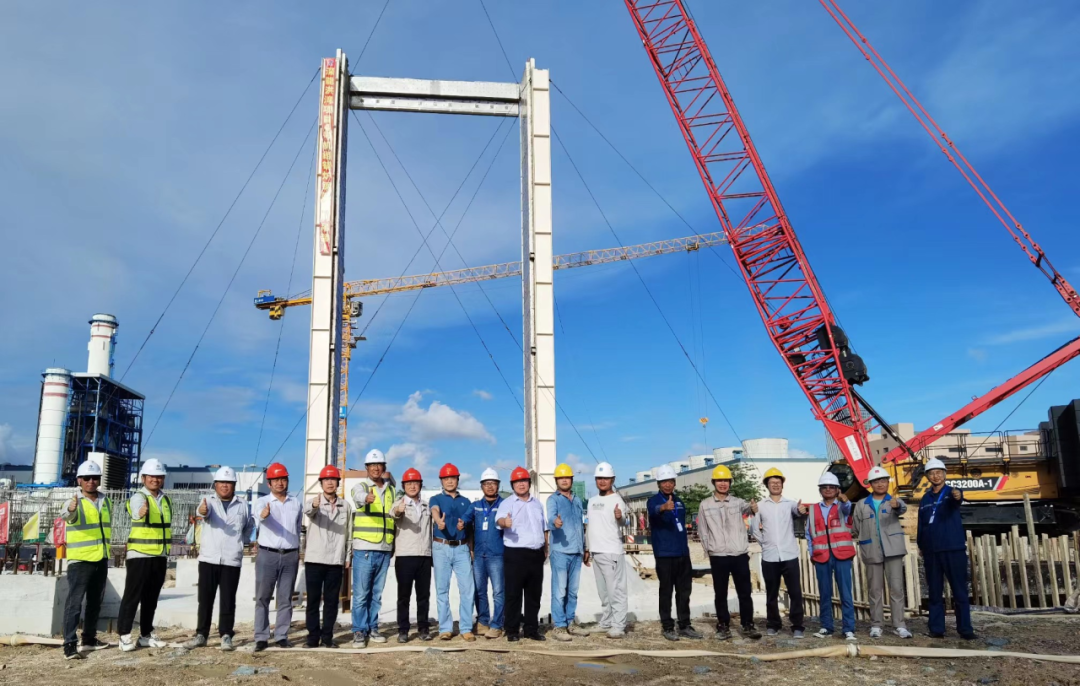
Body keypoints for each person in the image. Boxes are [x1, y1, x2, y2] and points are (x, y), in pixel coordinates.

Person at [184, 466, 254, 651]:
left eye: (229, 483)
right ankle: (201, 634)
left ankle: (226, 634)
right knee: (205, 599)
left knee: (228, 599)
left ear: (234, 485)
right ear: (215, 485)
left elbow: (249, 526)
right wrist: (202, 510)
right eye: (222, 483)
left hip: (232, 559)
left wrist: (242, 542)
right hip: (209, 559)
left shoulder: (242, 505)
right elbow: (202, 512)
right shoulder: (208, 501)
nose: (225, 486)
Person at [696, 464, 760, 640]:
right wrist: (710, 550)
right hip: (718, 556)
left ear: (730, 483)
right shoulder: (705, 505)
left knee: (745, 592)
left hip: (739, 554)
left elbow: (749, 509)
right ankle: (723, 626)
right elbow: (703, 531)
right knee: (721, 593)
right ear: (714, 482)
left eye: (726, 480)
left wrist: (754, 508)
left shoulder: (738, 502)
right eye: (719, 480)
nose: (723, 483)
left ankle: (748, 625)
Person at [917, 458, 975, 640]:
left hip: (953, 549)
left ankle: (965, 629)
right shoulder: (925, 498)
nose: (936, 476)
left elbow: (957, 498)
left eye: (939, 472)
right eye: (932, 473)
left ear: (944, 474)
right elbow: (921, 525)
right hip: (932, 552)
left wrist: (958, 495)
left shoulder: (951, 493)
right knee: (934, 591)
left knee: (960, 591)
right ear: (927, 476)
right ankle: (936, 629)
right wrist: (921, 545)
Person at [853, 465, 913, 640]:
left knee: (896, 589)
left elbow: (902, 508)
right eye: (876, 481)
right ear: (870, 484)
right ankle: (876, 625)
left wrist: (897, 504)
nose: (880, 484)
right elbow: (856, 527)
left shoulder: (894, 501)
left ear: (888, 482)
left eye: (883, 480)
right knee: (874, 590)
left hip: (892, 550)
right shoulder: (862, 504)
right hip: (871, 550)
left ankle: (899, 625)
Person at [118, 459, 172, 652]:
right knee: (132, 596)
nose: (155, 480)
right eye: (152, 477)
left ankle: (146, 634)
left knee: (151, 598)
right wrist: (139, 513)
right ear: (143, 478)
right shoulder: (138, 497)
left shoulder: (165, 499)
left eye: (159, 477)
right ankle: (124, 635)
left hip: (159, 555)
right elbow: (135, 510)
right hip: (140, 555)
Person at [61, 461, 113, 660]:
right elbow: (67, 515)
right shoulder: (73, 500)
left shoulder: (106, 501)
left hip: (101, 558)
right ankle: (69, 645)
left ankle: (89, 639)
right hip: (80, 561)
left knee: (94, 602)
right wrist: (71, 509)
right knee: (74, 604)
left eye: (95, 478)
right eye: (87, 478)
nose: (91, 482)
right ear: (79, 481)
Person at [750, 467, 806, 639]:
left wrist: (801, 510)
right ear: (767, 485)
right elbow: (754, 529)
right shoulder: (759, 505)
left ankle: (797, 626)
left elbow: (798, 513)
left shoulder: (790, 504)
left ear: (782, 484)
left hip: (789, 554)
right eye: (772, 482)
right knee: (772, 593)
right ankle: (773, 624)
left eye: (778, 482)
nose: (775, 485)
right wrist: (765, 543)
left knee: (795, 592)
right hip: (770, 556)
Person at [647, 465, 702, 641]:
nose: (667, 485)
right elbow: (653, 512)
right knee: (666, 591)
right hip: (664, 554)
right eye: (664, 482)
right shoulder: (654, 501)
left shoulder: (679, 501)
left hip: (682, 553)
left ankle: (684, 624)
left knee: (684, 591)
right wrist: (663, 507)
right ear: (658, 484)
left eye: (670, 481)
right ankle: (667, 626)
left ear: (674, 482)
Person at [254, 462, 303, 651]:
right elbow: (259, 515)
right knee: (262, 597)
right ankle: (261, 636)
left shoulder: (295, 503)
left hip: (290, 555)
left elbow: (298, 528)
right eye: (276, 480)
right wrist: (264, 514)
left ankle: (281, 635)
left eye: (283, 479)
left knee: (285, 598)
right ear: (269, 483)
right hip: (268, 555)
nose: (280, 483)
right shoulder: (262, 502)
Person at [496, 466, 549, 642]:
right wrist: (505, 522)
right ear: (512, 485)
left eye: (524, 481)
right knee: (513, 594)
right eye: (517, 482)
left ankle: (531, 629)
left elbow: (544, 527)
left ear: (529, 483)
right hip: (515, 554)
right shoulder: (507, 503)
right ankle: (512, 630)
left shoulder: (537, 504)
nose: (521, 484)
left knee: (534, 595)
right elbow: (499, 520)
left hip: (536, 554)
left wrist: (545, 547)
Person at [303, 465, 352, 649]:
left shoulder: (345, 506)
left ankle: (327, 637)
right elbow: (308, 511)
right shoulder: (314, 502)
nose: (330, 483)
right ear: (321, 483)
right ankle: (312, 637)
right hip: (315, 560)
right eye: (326, 480)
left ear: (338, 483)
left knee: (332, 602)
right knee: (313, 601)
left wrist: (347, 556)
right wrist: (315, 505)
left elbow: (349, 533)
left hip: (335, 561)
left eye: (333, 479)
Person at [351, 449, 395, 647]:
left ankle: (372, 627)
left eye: (379, 465)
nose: (376, 468)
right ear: (366, 468)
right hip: (365, 548)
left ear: (384, 468)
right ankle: (359, 631)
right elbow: (358, 496)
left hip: (385, 548)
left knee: (376, 594)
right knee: (361, 594)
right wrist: (366, 498)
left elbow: (395, 513)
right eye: (372, 466)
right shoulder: (360, 486)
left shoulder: (392, 490)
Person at [430, 462, 476, 641]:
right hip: (441, 547)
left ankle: (465, 627)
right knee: (442, 589)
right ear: (441, 481)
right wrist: (438, 521)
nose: (449, 481)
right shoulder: (436, 499)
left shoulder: (466, 502)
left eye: (452, 478)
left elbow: (471, 527)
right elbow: (434, 510)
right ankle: (445, 628)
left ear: (458, 479)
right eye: (446, 478)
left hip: (462, 547)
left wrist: (471, 549)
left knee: (467, 589)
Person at [808, 472, 857, 641]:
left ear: (838, 490)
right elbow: (810, 534)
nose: (828, 489)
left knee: (845, 593)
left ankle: (848, 628)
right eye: (824, 487)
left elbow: (847, 508)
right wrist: (812, 552)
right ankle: (826, 626)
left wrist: (845, 500)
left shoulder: (843, 506)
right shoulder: (814, 509)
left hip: (842, 555)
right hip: (822, 556)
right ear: (820, 490)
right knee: (825, 593)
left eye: (831, 487)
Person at [585, 462, 629, 639]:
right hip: (596, 551)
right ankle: (607, 622)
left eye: (606, 478)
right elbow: (589, 526)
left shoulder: (618, 500)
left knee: (615, 590)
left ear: (612, 480)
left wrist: (620, 517)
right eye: (599, 478)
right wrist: (587, 548)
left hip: (611, 551)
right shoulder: (592, 501)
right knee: (603, 592)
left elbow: (624, 521)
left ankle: (619, 625)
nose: (602, 481)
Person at [547, 463, 588, 641]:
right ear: (557, 481)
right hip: (560, 552)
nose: (564, 480)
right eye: (561, 478)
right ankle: (559, 625)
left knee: (573, 591)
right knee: (559, 591)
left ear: (571, 480)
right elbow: (550, 518)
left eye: (567, 477)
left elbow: (581, 525)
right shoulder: (553, 500)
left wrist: (585, 548)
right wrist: (554, 523)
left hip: (577, 552)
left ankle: (570, 621)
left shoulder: (578, 500)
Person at [391, 467, 433, 643]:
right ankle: (403, 630)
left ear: (420, 485)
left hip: (424, 555)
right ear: (404, 485)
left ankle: (423, 628)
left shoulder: (426, 506)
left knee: (423, 596)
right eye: (409, 483)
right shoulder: (398, 503)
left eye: (415, 483)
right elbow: (394, 514)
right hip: (405, 556)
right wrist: (400, 509)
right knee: (404, 596)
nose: (412, 486)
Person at [472, 468, 505, 639]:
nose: (490, 486)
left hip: (497, 555)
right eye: (486, 484)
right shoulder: (476, 506)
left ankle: (498, 624)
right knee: (479, 590)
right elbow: (464, 519)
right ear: (481, 486)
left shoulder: (504, 504)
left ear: (498, 485)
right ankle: (483, 622)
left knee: (499, 591)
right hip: (479, 555)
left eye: (493, 483)